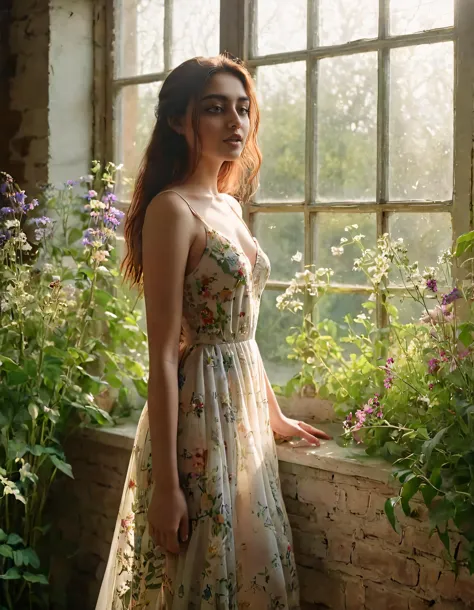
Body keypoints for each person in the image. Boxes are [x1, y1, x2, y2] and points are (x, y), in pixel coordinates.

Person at [95, 53, 331, 610]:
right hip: (198, 415)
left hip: (243, 413)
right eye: (215, 109)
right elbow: (162, 355)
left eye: (243, 109)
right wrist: (168, 487)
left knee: (247, 570)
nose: (235, 122)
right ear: (180, 121)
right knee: (201, 572)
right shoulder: (171, 211)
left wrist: (272, 414)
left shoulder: (227, 204)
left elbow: (240, 331)